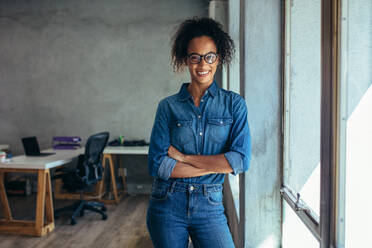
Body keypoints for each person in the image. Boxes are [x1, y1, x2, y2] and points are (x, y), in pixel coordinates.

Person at [146, 17, 251, 248]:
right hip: (167, 204)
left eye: (209, 56)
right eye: (195, 57)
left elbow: (240, 161)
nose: (202, 64)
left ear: (218, 58)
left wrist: (184, 159)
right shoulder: (168, 107)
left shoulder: (234, 105)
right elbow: (157, 165)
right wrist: (215, 164)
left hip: (210, 205)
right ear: (186, 59)